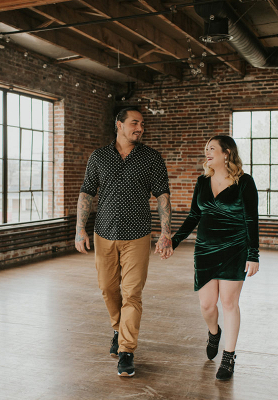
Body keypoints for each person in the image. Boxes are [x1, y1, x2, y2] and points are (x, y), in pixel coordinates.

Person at [75, 107, 173, 377]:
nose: (140, 128)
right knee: (107, 289)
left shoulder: (151, 158)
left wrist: (166, 233)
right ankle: (117, 329)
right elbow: (87, 191)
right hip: (103, 232)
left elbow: (162, 195)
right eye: (134, 123)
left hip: (138, 235)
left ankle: (126, 350)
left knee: (132, 293)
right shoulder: (98, 157)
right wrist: (79, 229)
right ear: (119, 124)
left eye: (142, 124)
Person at [169, 135, 259, 381]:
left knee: (229, 303)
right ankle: (213, 332)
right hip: (206, 249)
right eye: (206, 149)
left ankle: (228, 358)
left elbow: (251, 220)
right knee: (207, 305)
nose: (207, 153)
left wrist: (253, 255)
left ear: (226, 153)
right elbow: (193, 216)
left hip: (235, 249)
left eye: (211, 149)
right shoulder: (202, 181)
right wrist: (174, 241)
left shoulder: (245, 182)